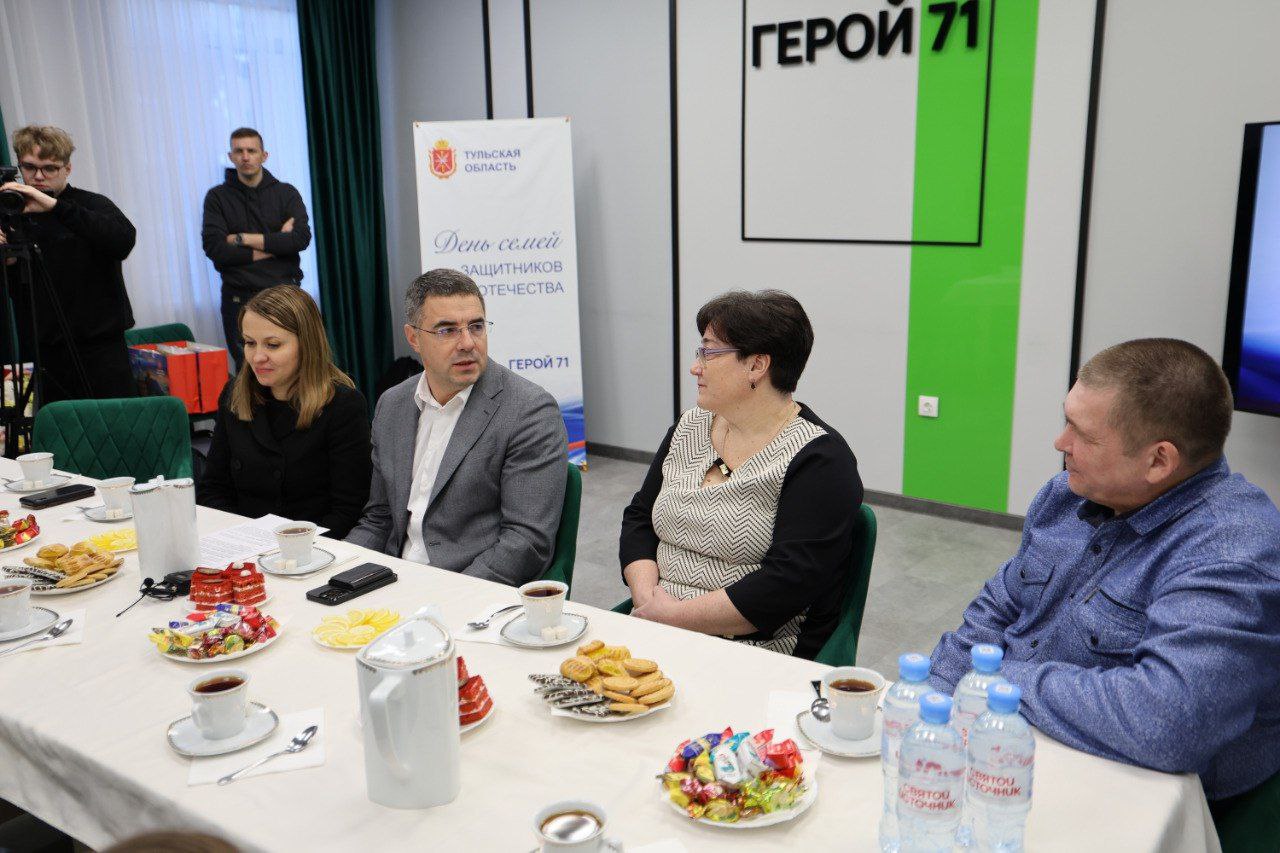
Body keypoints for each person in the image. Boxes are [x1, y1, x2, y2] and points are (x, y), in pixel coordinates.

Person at [930, 338, 1280, 804]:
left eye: (1082, 434)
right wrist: (934, 702)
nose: (1061, 444)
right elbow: (1002, 604)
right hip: (1013, 746)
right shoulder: (1067, 495)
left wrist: (1000, 683)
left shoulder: (1232, 551)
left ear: (1158, 460)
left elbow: (1170, 721)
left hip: (1141, 791)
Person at [619, 290, 863, 659]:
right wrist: (647, 602)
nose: (696, 367)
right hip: (653, 622)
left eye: (709, 353)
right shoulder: (689, 426)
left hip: (755, 651)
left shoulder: (821, 460)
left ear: (757, 366)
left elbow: (785, 584)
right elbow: (640, 518)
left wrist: (673, 617)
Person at [346, 268, 567, 586]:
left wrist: (448, 597)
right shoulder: (392, 405)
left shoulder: (529, 411)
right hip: (394, 579)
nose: (467, 343)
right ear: (414, 338)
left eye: (476, 327)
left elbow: (525, 543)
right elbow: (380, 518)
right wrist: (340, 571)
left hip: (469, 586)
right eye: (447, 330)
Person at [198, 285, 370, 538]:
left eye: (273, 345)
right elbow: (213, 490)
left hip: (314, 548)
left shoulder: (343, 405)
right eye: (249, 343)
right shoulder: (234, 394)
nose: (257, 357)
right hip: (244, 544)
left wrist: (289, 549)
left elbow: (348, 510)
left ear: (306, 344)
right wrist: (240, 538)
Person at [0, 125, 136, 402]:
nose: (38, 176)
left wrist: (54, 207)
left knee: (113, 423)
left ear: (67, 169)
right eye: (29, 167)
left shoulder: (91, 204)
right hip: (43, 352)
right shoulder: (12, 212)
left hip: (100, 350)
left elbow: (123, 240)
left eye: (49, 168)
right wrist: (9, 260)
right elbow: (18, 289)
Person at [200, 127, 311, 366]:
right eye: (239, 151)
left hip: (285, 294)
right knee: (249, 372)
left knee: (296, 369)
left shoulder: (286, 193)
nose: (245, 157)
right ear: (231, 156)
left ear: (264, 155)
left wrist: (240, 238)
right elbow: (215, 249)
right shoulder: (217, 197)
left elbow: (301, 239)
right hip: (239, 299)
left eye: (251, 151)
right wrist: (277, 243)